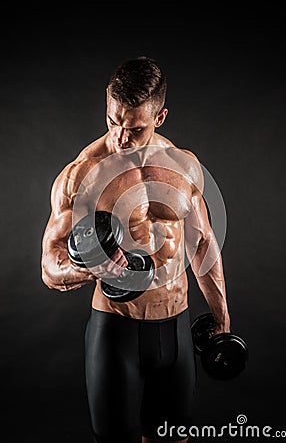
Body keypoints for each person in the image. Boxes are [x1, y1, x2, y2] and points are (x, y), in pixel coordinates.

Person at [41, 56, 231, 443]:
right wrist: (93, 270)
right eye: (113, 121)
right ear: (107, 107)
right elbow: (49, 266)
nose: (121, 137)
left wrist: (221, 315)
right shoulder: (81, 176)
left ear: (160, 117)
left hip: (176, 328)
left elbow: (202, 242)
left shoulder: (184, 166)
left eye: (136, 127)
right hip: (116, 333)